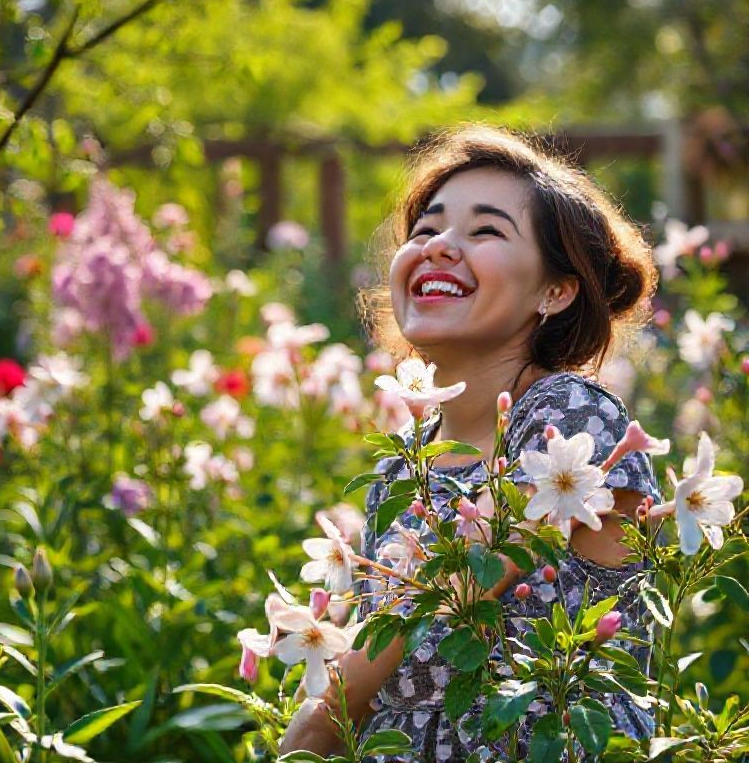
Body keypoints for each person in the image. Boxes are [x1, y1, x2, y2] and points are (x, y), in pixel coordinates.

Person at [279, 124, 661, 760]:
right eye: (425, 230)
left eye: (485, 230)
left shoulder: (572, 415)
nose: (437, 246)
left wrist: (309, 733)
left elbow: (444, 589)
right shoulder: (405, 463)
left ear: (555, 291)